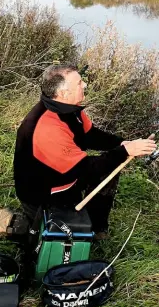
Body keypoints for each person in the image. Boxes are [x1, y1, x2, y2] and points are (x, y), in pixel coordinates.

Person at [13, 63, 156, 238]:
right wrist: (124, 151)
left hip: (60, 174)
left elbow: (91, 135)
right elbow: (85, 170)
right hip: (43, 193)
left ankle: (96, 228)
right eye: (80, 83)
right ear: (64, 92)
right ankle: (75, 226)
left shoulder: (67, 109)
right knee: (104, 167)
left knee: (109, 165)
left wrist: (123, 143)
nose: (85, 85)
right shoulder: (46, 126)